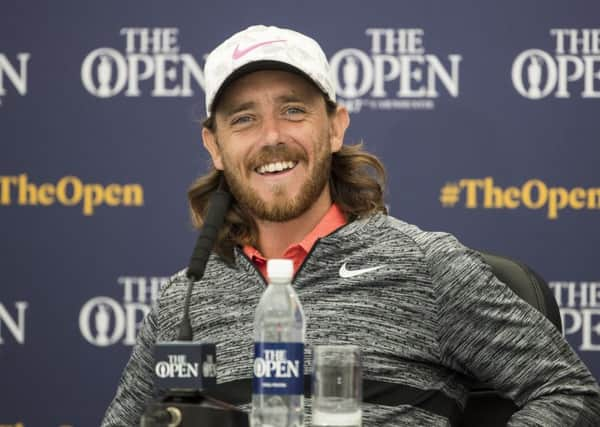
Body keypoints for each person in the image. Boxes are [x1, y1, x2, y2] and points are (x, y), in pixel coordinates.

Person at [102, 25, 600, 426]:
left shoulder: (425, 266)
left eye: (293, 110)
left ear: (336, 126)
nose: (272, 137)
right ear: (214, 145)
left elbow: (572, 395)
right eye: (244, 119)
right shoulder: (183, 301)